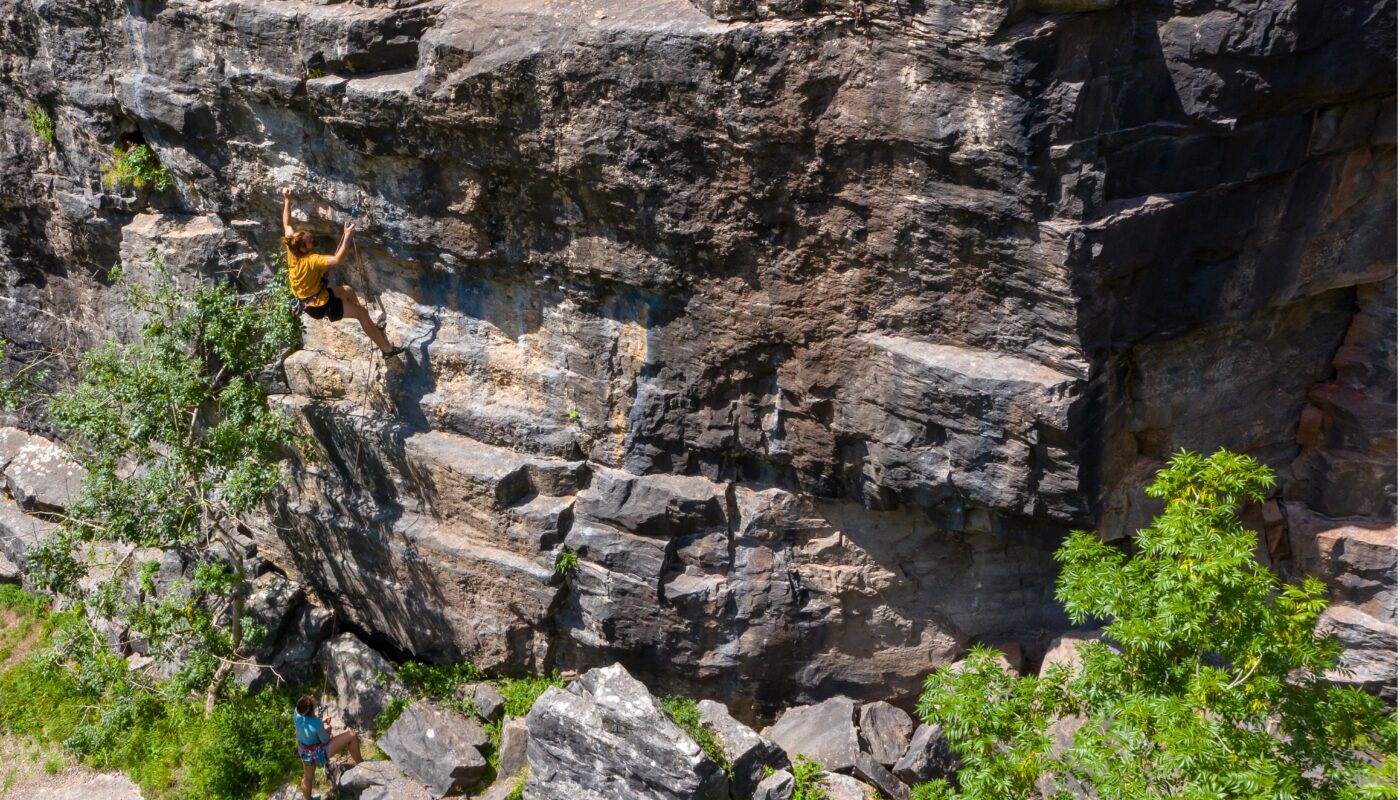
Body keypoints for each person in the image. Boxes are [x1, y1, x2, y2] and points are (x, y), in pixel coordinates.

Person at [281, 186, 405, 359]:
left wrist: (287, 199)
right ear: (303, 248)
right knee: (361, 314)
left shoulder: (292, 249)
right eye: (309, 241)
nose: (311, 238)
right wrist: (347, 236)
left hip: (314, 298)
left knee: (347, 290)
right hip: (320, 306)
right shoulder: (311, 260)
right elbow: (337, 260)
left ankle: (365, 321)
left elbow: (287, 224)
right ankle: (387, 350)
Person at [294, 694, 362, 799]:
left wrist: (321, 723)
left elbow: (309, 725)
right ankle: (362, 765)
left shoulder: (297, 713)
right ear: (311, 709)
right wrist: (327, 729)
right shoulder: (316, 723)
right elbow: (325, 740)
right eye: (311, 699)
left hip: (304, 752)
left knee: (307, 778)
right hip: (318, 754)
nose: (312, 696)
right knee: (352, 736)